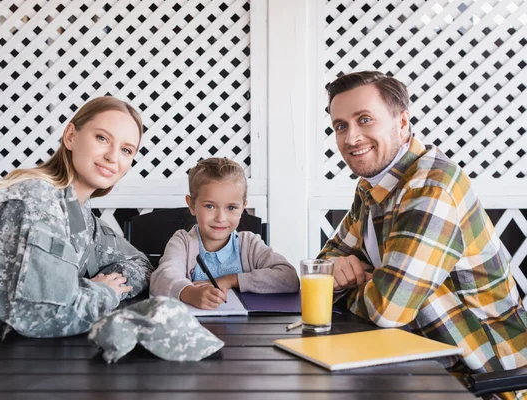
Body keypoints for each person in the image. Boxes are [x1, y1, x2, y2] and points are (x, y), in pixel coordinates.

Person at [0, 96, 154, 399]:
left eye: (126, 150)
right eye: (102, 138)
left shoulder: (75, 209)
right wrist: (104, 292)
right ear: (71, 136)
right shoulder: (35, 202)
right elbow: (41, 316)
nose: (113, 156)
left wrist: (95, 288)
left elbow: (138, 262)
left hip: (21, 369)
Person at [318, 71, 527, 399]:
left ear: (402, 123)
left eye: (365, 119)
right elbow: (322, 265)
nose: (351, 137)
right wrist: (348, 276)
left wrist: (350, 285)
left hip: (483, 376)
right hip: (418, 355)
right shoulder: (373, 185)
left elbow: (388, 310)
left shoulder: (432, 186)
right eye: (341, 126)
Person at [150, 157, 299, 310]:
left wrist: (231, 280)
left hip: (248, 330)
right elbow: (161, 278)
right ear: (192, 205)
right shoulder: (183, 242)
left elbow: (289, 278)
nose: (220, 218)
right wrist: (190, 293)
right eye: (210, 206)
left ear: (243, 208)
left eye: (231, 208)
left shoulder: (250, 244)